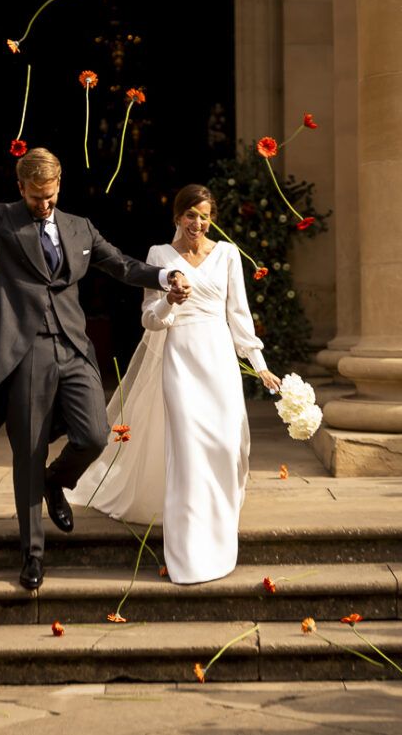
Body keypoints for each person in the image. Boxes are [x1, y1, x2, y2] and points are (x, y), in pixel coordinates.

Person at [0, 110, 190, 591]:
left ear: (59, 186)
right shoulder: (4, 220)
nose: (43, 205)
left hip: (73, 349)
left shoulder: (80, 227)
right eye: (35, 197)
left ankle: (55, 482)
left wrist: (165, 275)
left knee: (95, 435)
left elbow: (122, 265)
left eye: (50, 196)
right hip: (26, 352)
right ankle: (32, 554)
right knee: (29, 452)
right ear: (21, 187)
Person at [69, 184, 280, 584]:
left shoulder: (228, 254)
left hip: (219, 359)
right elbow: (149, 318)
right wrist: (169, 300)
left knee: (227, 445)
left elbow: (239, 316)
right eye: (190, 215)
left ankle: (220, 522)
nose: (197, 223)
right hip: (179, 358)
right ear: (178, 217)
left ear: (212, 218)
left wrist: (260, 364)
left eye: (204, 216)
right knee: (187, 450)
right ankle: (190, 549)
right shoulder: (159, 256)